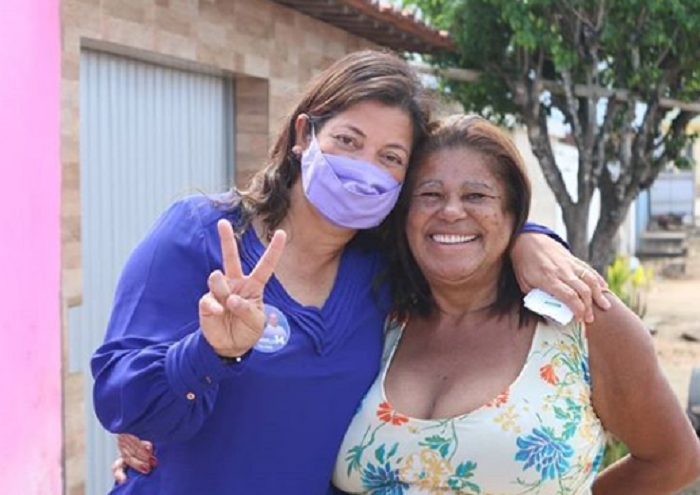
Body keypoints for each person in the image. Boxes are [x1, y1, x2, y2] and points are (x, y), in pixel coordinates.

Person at [94, 51, 608, 495]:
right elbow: (120, 400)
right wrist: (207, 355)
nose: (365, 168)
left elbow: (465, 227)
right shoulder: (203, 233)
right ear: (304, 134)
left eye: (390, 157)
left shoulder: (383, 271)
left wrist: (529, 239)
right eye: (347, 140)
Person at [331, 115, 700, 494]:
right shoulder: (378, 315)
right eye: (430, 195)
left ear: (512, 214)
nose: (451, 211)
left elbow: (675, 458)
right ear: (404, 214)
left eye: (476, 196)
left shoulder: (581, 318)